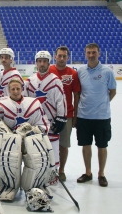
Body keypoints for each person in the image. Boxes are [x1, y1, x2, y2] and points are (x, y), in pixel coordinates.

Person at [0, 78, 52, 200]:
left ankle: (36, 186)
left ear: (22, 89)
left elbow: (44, 124)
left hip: (29, 141)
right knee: (8, 156)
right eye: (12, 89)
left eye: (18, 89)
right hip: (11, 142)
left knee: (38, 156)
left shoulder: (34, 103)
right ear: (8, 90)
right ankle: (7, 186)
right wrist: (10, 135)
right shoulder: (0, 103)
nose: (15, 91)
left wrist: (31, 132)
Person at [76, 43, 116, 187]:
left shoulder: (107, 72)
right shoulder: (80, 71)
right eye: (89, 53)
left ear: (99, 53)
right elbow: (79, 93)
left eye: (94, 52)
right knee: (85, 145)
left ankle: (101, 174)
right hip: (84, 116)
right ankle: (88, 172)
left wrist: (102, 104)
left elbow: (112, 91)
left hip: (102, 117)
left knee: (102, 146)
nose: (91, 55)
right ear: (85, 54)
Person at [24, 51, 67, 184]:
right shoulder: (30, 81)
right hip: (35, 121)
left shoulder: (55, 80)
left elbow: (61, 100)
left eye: (44, 61)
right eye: (39, 61)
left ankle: (53, 172)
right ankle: (38, 172)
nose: (42, 64)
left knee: (53, 147)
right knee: (35, 148)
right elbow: (25, 100)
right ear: (36, 63)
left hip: (51, 120)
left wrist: (61, 117)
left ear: (49, 63)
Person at [48, 46, 81, 181]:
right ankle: (48, 169)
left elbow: (76, 95)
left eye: (64, 56)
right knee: (48, 143)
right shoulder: (49, 70)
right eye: (59, 56)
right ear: (55, 56)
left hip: (67, 115)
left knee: (63, 144)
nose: (62, 58)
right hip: (49, 115)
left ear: (68, 58)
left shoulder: (73, 73)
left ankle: (61, 170)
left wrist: (75, 116)